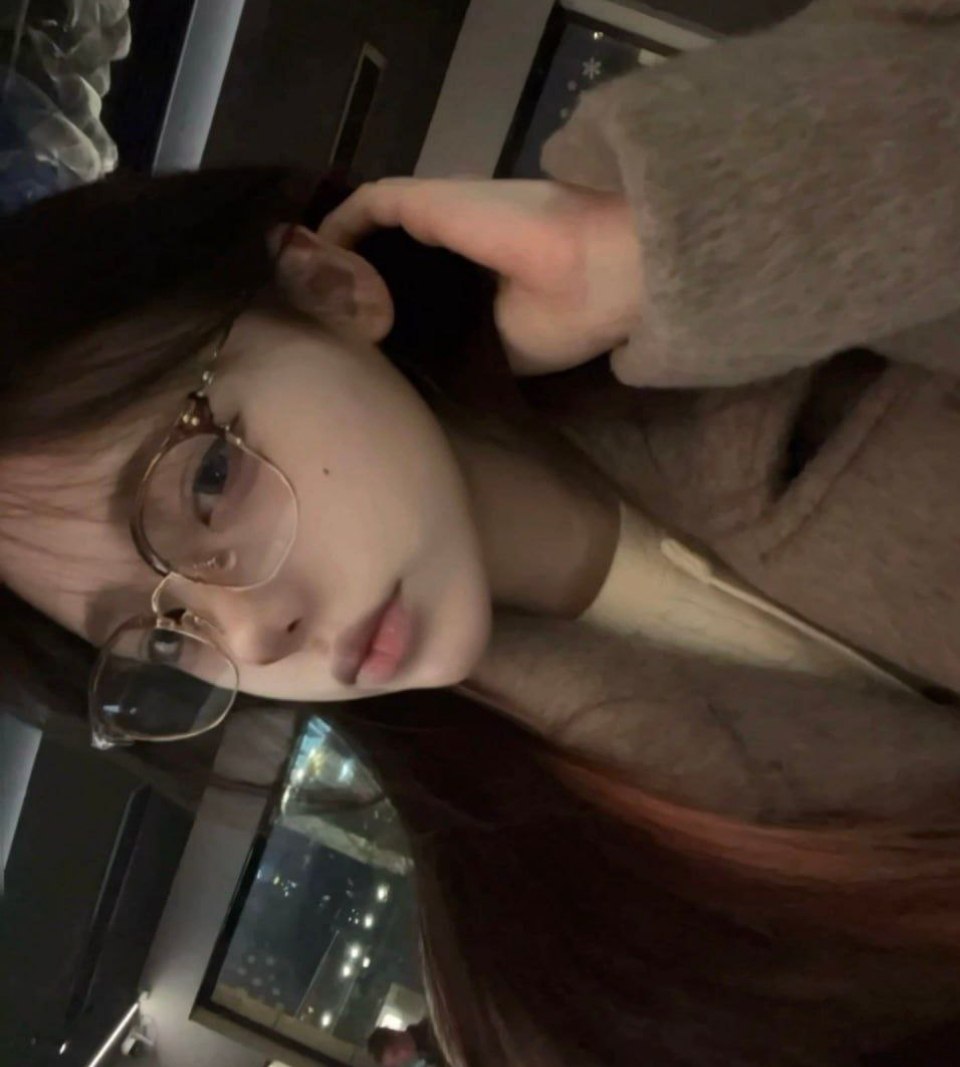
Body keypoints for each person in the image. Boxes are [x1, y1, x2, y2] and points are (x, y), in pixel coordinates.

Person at [3, 0, 960, 1064]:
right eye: (163, 636)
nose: (253, 633)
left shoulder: (717, 239)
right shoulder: (554, 972)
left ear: (326, 287)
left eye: (208, 481)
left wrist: (677, 245)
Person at [368, 1020, 443, 1067]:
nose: (403, 1050)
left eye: (395, 1051)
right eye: (396, 1055)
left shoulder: (433, 1026)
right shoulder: (426, 1056)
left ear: (394, 1032)